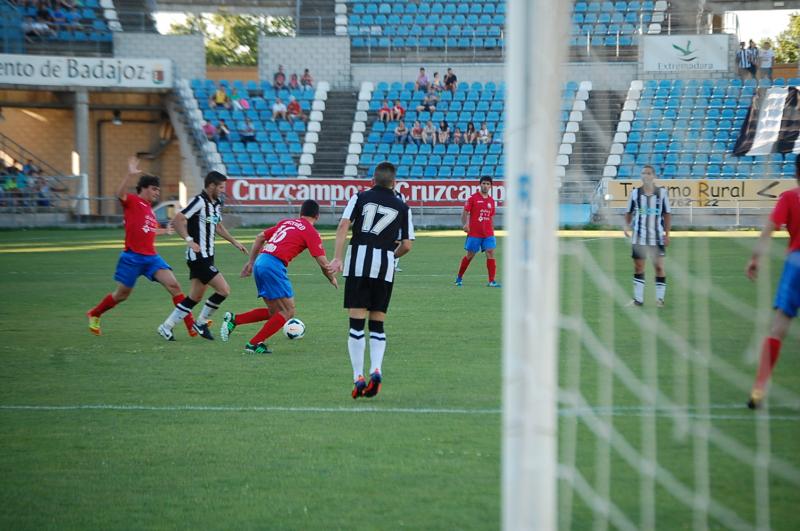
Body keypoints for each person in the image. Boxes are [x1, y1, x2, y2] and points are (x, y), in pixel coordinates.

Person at [328, 161, 414, 399]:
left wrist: (337, 257)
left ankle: (358, 376)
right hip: (384, 269)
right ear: (394, 182)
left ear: (373, 180)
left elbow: (344, 224)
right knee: (377, 323)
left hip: (358, 264)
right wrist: (391, 256)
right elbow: (407, 244)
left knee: (356, 323)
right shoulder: (403, 207)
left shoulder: (360, 197)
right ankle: (376, 369)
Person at [86, 156, 195, 337]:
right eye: (154, 189)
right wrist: (129, 175)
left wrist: (163, 231)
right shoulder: (132, 201)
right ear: (143, 189)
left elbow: (148, 230)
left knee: (174, 285)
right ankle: (95, 313)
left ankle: (190, 325)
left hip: (151, 257)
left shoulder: (149, 210)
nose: (156, 193)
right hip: (132, 257)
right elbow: (118, 194)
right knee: (121, 295)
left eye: (158, 190)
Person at [220, 200, 338, 354]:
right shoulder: (311, 232)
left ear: (300, 213)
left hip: (261, 262)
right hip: (273, 266)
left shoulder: (286, 222)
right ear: (317, 216)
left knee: (274, 312)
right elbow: (323, 263)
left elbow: (260, 237)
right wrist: (332, 279)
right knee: (288, 311)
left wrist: (251, 262)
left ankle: (234, 320)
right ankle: (253, 344)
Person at [157, 171, 248, 341]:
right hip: (198, 257)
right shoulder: (199, 201)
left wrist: (235, 242)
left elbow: (218, 227)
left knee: (195, 297)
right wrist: (189, 240)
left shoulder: (215, 203)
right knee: (224, 290)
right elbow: (178, 220)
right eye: (220, 187)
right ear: (211, 186)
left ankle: (166, 326)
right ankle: (201, 322)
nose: (222, 190)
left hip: (208, 256)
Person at [745, 154, 800, 409]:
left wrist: (755, 258)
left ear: (796, 174)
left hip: (795, 264)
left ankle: (758, 388)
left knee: (778, 328)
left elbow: (770, 228)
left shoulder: (789, 197)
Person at [623, 165, 671, 307]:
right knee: (638, 267)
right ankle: (638, 300)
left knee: (659, 267)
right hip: (639, 237)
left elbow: (667, 214)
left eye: (648, 173)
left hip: (656, 237)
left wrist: (667, 234)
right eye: (643, 173)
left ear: (654, 176)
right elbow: (628, 212)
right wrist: (626, 226)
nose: (646, 175)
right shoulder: (635, 194)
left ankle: (660, 300)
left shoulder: (662, 193)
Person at [454, 176, 500, 288]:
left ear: (491, 186)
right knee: (470, 255)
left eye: (488, 184)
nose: (485, 185)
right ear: (480, 184)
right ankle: (459, 278)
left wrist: (492, 229)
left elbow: (491, 216)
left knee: (490, 253)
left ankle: (491, 281)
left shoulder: (491, 201)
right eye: (483, 183)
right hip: (474, 233)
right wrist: (465, 224)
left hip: (488, 233)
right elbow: (465, 212)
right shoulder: (473, 198)